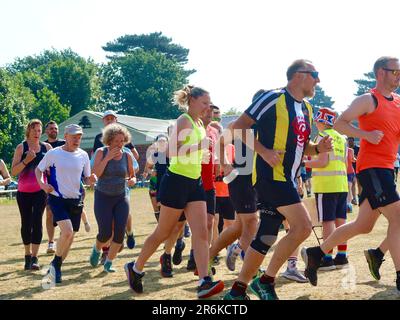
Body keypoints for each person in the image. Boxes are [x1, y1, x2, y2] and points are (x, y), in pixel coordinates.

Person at [223, 59, 332, 300]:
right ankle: (266, 280)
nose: (318, 80)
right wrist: (263, 151)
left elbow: (302, 148)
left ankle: (237, 290)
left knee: (266, 236)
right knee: (303, 226)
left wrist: (318, 148)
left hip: (288, 180)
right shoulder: (273, 98)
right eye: (315, 74)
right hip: (270, 178)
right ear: (299, 75)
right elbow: (238, 126)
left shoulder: (307, 109)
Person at [302, 56, 400, 295]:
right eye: (394, 71)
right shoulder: (369, 99)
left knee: (363, 225)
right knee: (398, 217)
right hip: (372, 168)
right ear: (379, 73)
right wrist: (364, 135)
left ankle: (317, 253)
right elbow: (339, 122)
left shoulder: (397, 102)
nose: (398, 75)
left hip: (386, 168)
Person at [124, 85, 224, 299]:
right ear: (193, 102)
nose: (208, 107)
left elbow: (193, 150)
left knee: (202, 232)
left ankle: (204, 281)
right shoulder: (184, 120)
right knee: (164, 232)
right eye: (205, 103)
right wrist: (198, 147)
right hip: (176, 181)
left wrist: (202, 157)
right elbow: (170, 151)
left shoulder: (198, 123)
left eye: (209, 104)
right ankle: (136, 268)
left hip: (194, 182)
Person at [37, 124, 97, 285]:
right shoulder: (54, 153)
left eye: (79, 136)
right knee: (68, 231)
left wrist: (91, 180)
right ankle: (56, 262)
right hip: (57, 198)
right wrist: (43, 185)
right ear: (66, 136)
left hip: (75, 200)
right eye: (74, 136)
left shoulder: (83, 155)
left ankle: (56, 265)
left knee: (69, 237)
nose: (77, 139)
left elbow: (86, 178)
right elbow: (39, 170)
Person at [304, 107, 349, 271]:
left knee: (327, 222)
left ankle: (327, 257)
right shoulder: (341, 138)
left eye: (316, 120)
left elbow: (322, 162)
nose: (315, 122)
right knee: (341, 222)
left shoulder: (322, 136)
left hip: (326, 185)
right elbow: (344, 160)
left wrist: (304, 163)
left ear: (321, 121)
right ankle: (342, 256)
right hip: (342, 184)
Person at [89, 124, 136, 272]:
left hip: (121, 197)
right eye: (116, 141)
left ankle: (108, 262)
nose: (119, 144)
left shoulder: (127, 155)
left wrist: (132, 180)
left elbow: (132, 175)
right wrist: (108, 158)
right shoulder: (101, 152)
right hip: (103, 196)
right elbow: (96, 173)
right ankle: (97, 249)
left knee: (119, 233)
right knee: (105, 233)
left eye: (122, 141)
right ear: (109, 140)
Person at [11, 119, 51, 270]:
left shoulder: (46, 147)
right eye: (34, 130)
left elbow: (51, 169)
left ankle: (35, 258)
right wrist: (26, 161)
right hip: (23, 192)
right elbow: (14, 172)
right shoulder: (21, 147)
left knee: (37, 222)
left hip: (40, 192)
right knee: (26, 223)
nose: (37, 133)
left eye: (39, 130)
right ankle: (27, 255)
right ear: (28, 130)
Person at [44, 121, 66, 254]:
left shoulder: (64, 144)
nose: (54, 130)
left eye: (56, 128)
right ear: (46, 131)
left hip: (65, 183)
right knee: (49, 212)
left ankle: (63, 237)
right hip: (49, 184)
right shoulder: (43, 146)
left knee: (66, 212)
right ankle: (51, 242)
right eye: (51, 128)